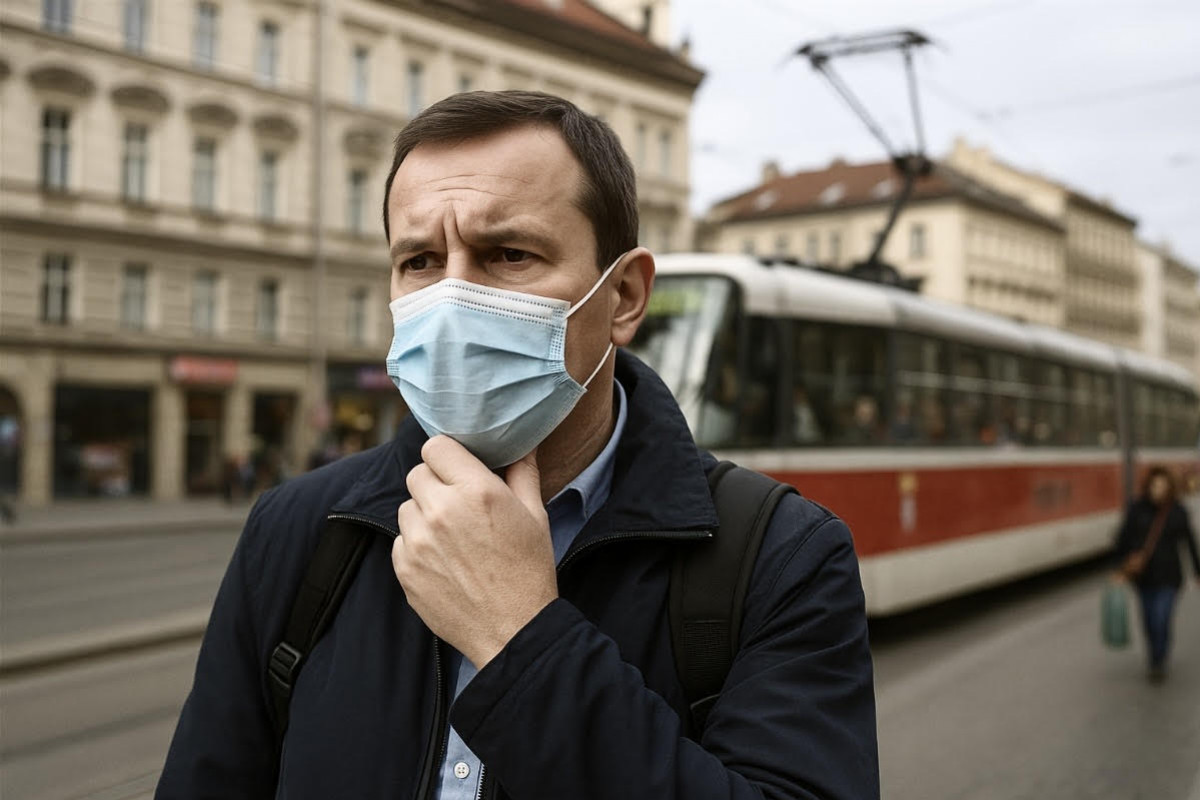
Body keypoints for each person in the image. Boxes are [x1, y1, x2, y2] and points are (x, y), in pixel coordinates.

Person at [156, 91, 878, 799]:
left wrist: (523, 639)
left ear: (623, 295)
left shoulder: (783, 557)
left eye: (507, 254)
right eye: (419, 261)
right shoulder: (296, 533)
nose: (451, 298)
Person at [1113, 466, 1200, 682]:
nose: (1158, 490)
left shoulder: (1177, 511)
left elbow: (1189, 542)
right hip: (1143, 578)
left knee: (1162, 618)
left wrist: (1198, 572)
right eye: (1155, 485)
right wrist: (1121, 568)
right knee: (1149, 620)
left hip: (1170, 577)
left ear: (1170, 487)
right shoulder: (1136, 509)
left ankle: (1159, 661)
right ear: (1148, 486)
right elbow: (1121, 540)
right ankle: (1154, 655)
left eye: (1162, 485)